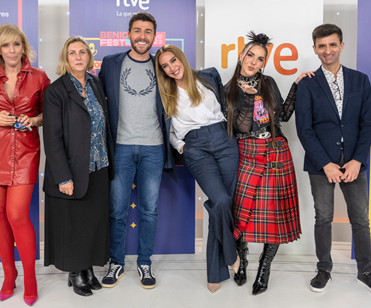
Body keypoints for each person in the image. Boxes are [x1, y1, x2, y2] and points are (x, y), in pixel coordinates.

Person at [295, 24, 371, 297]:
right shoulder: (308, 84)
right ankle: (324, 269)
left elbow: (366, 123)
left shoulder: (360, 80)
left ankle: (366, 271)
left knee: (360, 219)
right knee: (323, 217)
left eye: (332, 45)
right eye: (321, 46)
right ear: (314, 49)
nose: (327, 50)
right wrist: (326, 163)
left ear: (342, 46)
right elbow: (304, 129)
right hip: (320, 164)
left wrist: (358, 160)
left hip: (354, 164)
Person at [0, 24, 50, 306]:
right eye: (6, 46)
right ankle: (9, 274)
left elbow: (48, 114)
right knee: (0, 213)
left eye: (16, 44)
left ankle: (30, 277)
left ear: (23, 47)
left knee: (17, 214)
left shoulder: (39, 77)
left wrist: (34, 120)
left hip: (26, 151)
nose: (12, 50)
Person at [225, 32, 311, 295]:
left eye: (260, 59)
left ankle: (264, 268)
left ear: (264, 63)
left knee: (273, 216)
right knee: (242, 213)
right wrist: (249, 97)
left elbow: (280, 117)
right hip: (246, 153)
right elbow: (238, 126)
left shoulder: (268, 82)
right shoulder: (227, 90)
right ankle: (242, 264)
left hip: (275, 151)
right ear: (241, 55)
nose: (253, 61)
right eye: (250, 55)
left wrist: (295, 85)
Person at [98, 12, 176, 289]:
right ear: (129, 33)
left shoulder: (164, 66)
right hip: (120, 147)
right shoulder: (110, 64)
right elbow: (94, 100)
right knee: (117, 210)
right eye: (137, 30)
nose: (142, 36)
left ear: (155, 36)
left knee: (149, 210)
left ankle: (145, 262)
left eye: (148, 31)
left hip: (154, 148)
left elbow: (189, 84)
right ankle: (116, 262)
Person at [156, 44, 240, 293]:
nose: (172, 68)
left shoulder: (209, 76)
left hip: (225, 139)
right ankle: (232, 254)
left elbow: (227, 104)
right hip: (196, 147)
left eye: (173, 61)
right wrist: (182, 147)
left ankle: (214, 274)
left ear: (181, 57)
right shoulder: (164, 92)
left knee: (222, 205)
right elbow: (168, 129)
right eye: (165, 66)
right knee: (220, 199)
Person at [42, 36, 114, 297]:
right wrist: (63, 176)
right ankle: (75, 273)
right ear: (66, 58)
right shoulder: (56, 91)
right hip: (71, 170)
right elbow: (52, 138)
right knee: (72, 224)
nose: (78, 57)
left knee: (92, 223)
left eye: (83, 52)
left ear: (89, 56)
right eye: (72, 53)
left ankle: (88, 269)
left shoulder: (96, 84)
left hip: (99, 165)